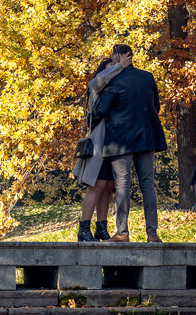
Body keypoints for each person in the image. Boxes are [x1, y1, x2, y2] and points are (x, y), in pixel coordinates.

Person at [92, 44, 168, 243]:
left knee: (123, 186)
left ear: (120, 56)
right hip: (146, 137)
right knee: (148, 186)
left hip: (120, 140)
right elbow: (155, 106)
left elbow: (100, 109)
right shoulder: (147, 77)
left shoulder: (114, 79)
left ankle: (122, 232)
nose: (112, 61)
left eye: (113, 57)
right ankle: (152, 233)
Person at [72, 54, 127, 241]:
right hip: (99, 144)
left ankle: (101, 228)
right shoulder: (96, 86)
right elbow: (100, 79)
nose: (115, 68)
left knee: (108, 186)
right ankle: (83, 229)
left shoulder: (115, 88)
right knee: (96, 185)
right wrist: (119, 65)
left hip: (114, 144)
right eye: (110, 66)